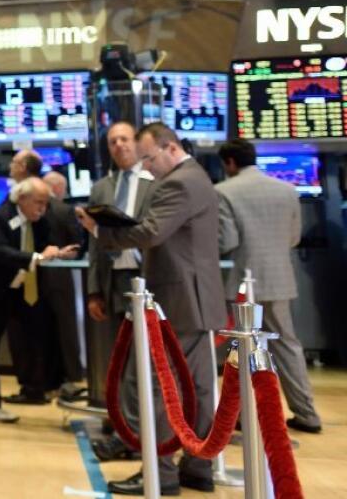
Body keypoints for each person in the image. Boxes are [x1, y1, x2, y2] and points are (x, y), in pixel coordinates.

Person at [77, 123, 223, 496]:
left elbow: (150, 233)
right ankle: (197, 465)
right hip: (196, 297)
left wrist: (99, 231)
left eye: (148, 157)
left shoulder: (178, 182)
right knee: (198, 388)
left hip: (177, 299)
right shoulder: (198, 177)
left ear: (170, 148)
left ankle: (161, 473)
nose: (145, 167)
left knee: (160, 388)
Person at [216, 139, 322, 434]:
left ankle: (237, 416)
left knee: (239, 349)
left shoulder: (223, 191)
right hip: (279, 279)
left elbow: (227, 242)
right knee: (288, 346)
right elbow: (293, 237)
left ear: (229, 163)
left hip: (242, 284)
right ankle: (307, 413)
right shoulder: (286, 190)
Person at [0, 178, 79, 422]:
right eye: (38, 202)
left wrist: (57, 253)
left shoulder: (39, 222)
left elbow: (45, 246)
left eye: (45, 203)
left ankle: (41, 386)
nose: (42, 208)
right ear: (22, 199)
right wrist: (38, 257)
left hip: (16, 290)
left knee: (36, 334)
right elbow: (1, 253)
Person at [86, 121, 156, 462]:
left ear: (137, 143)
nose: (119, 146)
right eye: (113, 141)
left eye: (125, 139)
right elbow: (94, 243)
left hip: (149, 280)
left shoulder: (156, 183)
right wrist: (94, 290)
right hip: (114, 282)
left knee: (145, 358)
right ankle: (124, 426)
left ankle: (143, 427)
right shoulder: (101, 188)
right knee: (118, 358)